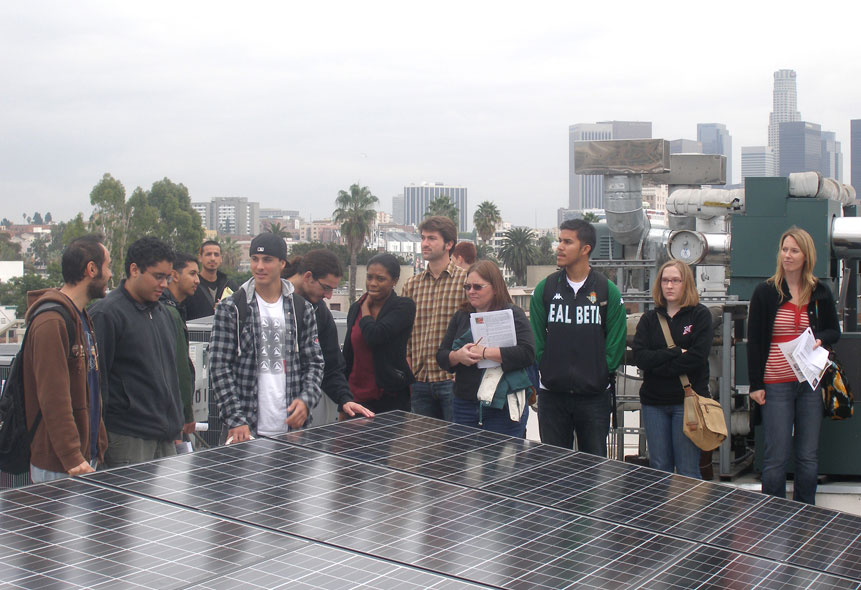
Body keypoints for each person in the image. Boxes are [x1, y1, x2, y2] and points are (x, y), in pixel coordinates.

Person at [748, 227, 840, 504]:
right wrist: (756, 385)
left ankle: (806, 513)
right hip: (776, 382)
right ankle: (773, 515)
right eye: (784, 249)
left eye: (794, 250)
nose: (787, 255)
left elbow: (834, 331)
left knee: (808, 455)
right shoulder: (766, 292)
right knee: (776, 455)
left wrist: (821, 339)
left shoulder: (820, 291)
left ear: (806, 256)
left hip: (809, 382)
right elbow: (754, 341)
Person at [209, 233, 324, 443]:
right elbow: (219, 367)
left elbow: (314, 363)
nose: (259, 266)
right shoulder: (232, 308)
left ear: (282, 263)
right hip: (244, 431)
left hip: (291, 433)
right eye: (255, 259)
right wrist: (236, 420)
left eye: (267, 260)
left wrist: (306, 401)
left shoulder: (301, 309)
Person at [529, 219, 626, 456]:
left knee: (592, 467)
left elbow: (616, 341)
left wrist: (599, 373)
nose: (559, 247)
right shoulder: (546, 289)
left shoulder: (607, 290)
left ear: (586, 249)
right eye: (559, 241)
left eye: (567, 242)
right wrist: (548, 368)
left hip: (593, 398)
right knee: (553, 466)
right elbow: (536, 339)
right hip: (552, 396)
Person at [90, 237, 185, 467]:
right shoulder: (106, 314)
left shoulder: (164, 314)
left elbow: (171, 374)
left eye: (167, 277)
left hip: (165, 435)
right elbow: (96, 382)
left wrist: (177, 422)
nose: (164, 284)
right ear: (134, 269)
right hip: (127, 437)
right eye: (158, 276)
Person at [23, 235, 110, 483]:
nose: (111, 274)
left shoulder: (81, 316)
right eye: (108, 266)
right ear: (91, 269)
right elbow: (53, 398)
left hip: (83, 458)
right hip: (61, 464)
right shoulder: (52, 321)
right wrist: (72, 457)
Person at [632, 260, 713, 478]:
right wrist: (676, 352)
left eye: (676, 280)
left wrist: (658, 365)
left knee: (687, 468)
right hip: (654, 403)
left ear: (686, 283)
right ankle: (662, 513)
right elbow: (640, 358)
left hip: (686, 403)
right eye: (665, 280)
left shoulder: (700, 316)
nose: (670, 285)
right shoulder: (649, 319)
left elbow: (697, 358)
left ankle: (690, 513)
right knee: (660, 468)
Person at [437, 260, 535, 436]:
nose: (471, 291)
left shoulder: (513, 314)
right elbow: (442, 356)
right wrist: (458, 356)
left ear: (495, 287)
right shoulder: (462, 316)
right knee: (463, 461)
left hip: (502, 405)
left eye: (477, 287)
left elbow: (527, 353)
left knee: (501, 460)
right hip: (465, 403)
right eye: (467, 287)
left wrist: (484, 353)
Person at [284, 249, 373, 419]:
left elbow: (331, 365)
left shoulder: (320, 313)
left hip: (295, 413)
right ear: (308, 276)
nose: (329, 296)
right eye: (326, 288)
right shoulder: (262, 301)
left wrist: (344, 399)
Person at [400, 216, 468, 421]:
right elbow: (405, 332)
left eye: (431, 238)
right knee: (425, 450)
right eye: (423, 238)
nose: (425, 243)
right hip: (420, 380)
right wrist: (409, 363)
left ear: (449, 244)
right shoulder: (411, 285)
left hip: (452, 379)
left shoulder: (466, 281)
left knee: (455, 447)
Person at [343, 254, 416, 414]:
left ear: (394, 281)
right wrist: (343, 401)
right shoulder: (355, 309)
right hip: (356, 397)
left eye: (380, 279)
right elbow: (348, 354)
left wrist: (365, 308)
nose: (373, 283)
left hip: (389, 395)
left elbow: (375, 336)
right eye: (369, 277)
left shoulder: (403, 307)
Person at [160, 252, 200, 436]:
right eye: (192, 274)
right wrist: (186, 413)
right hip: (170, 415)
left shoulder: (172, 308)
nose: (197, 280)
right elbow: (180, 367)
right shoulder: (169, 311)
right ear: (174, 275)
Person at [185, 240, 238, 320]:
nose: (213, 258)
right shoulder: (192, 285)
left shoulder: (230, 285)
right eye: (208, 254)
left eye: (216, 255)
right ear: (200, 258)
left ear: (221, 259)